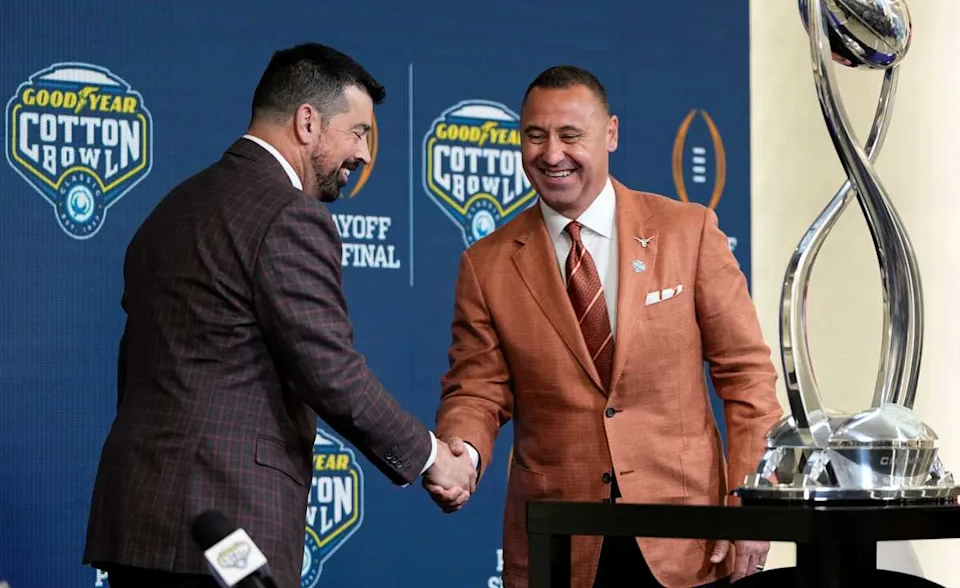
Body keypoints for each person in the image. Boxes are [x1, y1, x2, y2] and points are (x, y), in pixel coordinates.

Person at [83, 43, 476, 588]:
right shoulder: (289, 215)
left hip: (138, 522)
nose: (364, 154)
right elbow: (330, 372)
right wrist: (433, 457)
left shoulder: (173, 207)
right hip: (224, 533)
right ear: (308, 122)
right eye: (359, 132)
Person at [426, 66, 783, 587]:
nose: (551, 154)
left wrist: (752, 498)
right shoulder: (486, 264)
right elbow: (477, 388)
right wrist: (462, 449)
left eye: (571, 136)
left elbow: (747, 377)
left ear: (610, 133)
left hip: (687, 542)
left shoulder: (689, 232)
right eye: (535, 136)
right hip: (559, 545)